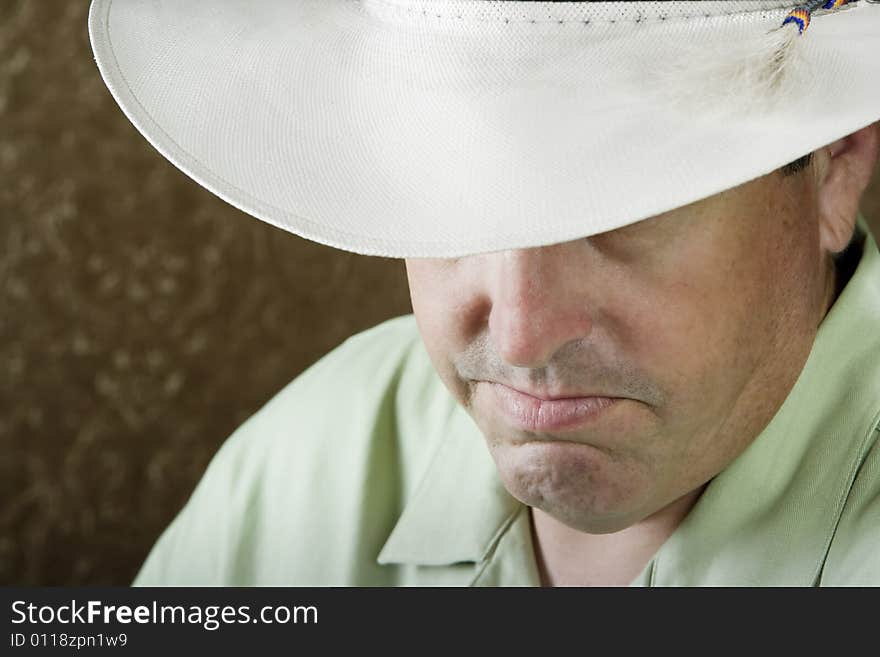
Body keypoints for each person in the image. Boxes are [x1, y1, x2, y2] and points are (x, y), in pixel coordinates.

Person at [89, 0, 880, 585]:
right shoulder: (310, 457)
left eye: (622, 202)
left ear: (836, 162)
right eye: (452, 193)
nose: (518, 336)